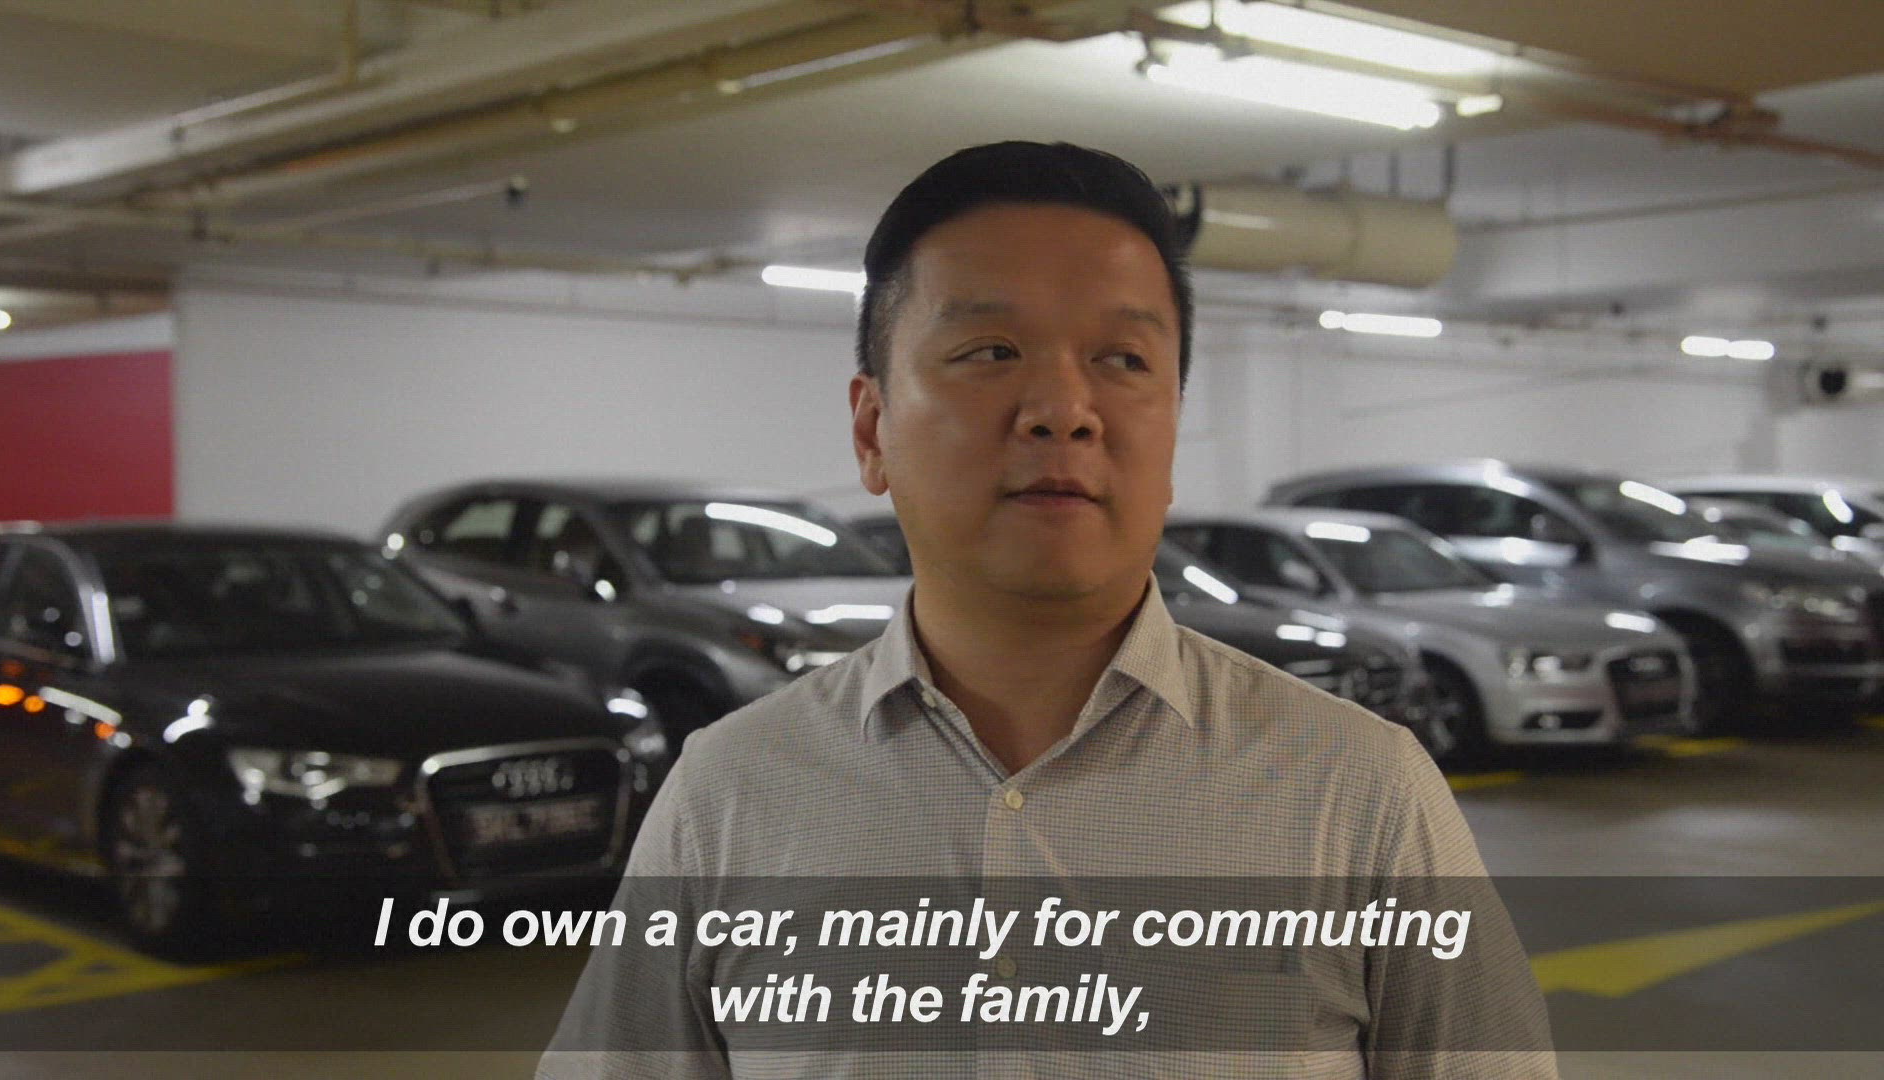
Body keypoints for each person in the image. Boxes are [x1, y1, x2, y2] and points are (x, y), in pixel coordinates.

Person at [541, 141, 1555, 1078]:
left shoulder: (1359, 795)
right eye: (990, 351)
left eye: (1123, 360)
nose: (1063, 410)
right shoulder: (729, 800)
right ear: (872, 430)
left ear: (1170, 432)